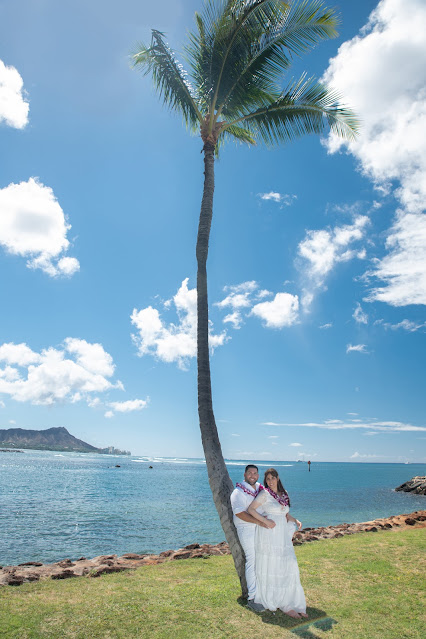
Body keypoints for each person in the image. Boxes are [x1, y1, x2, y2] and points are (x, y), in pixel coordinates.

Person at [247, 468, 308, 618]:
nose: (270, 481)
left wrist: (295, 520)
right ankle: (282, 603)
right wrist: (265, 520)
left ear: (278, 478)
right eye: (268, 479)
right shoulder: (265, 494)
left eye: (273, 478)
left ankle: (291, 600)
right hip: (270, 534)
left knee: (287, 565)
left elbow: (285, 513)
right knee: (275, 565)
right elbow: (251, 509)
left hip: (282, 535)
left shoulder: (284, 493)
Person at [230, 464, 275, 612]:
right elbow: (240, 514)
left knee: (263, 559)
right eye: (249, 473)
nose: (252, 475)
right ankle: (252, 598)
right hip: (246, 529)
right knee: (252, 559)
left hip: (261, 527)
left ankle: (262, 592)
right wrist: (260, 521)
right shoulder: (237, 493)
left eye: (255, 473)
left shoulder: (260, 489)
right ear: (244, 475)